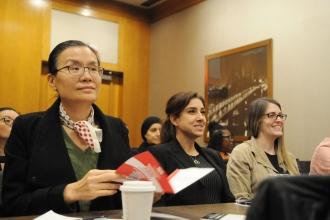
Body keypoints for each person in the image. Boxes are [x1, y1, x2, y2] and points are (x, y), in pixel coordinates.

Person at [1, 40, 132, 216]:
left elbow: (121, 197)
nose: (87, 76)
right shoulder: (27, 127)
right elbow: (12, 204)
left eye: (93, 68)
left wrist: (147, 193)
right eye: (74, 68)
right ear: (52, 80)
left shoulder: (117, 128)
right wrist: (69, 192)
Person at [148, 91, 234, 206]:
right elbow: (153, 203)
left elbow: (228, 198)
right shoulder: (158, 154)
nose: (201, 118)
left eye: (203, 112)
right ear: (174, 119)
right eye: (192, 111)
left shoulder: (213, 155)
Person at [226, 97, 299, 200]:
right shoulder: (242, 153)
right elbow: (241, 200)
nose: (279, 120)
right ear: (257, 120)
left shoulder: (289, 158)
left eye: (280, 116)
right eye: (272, 115)